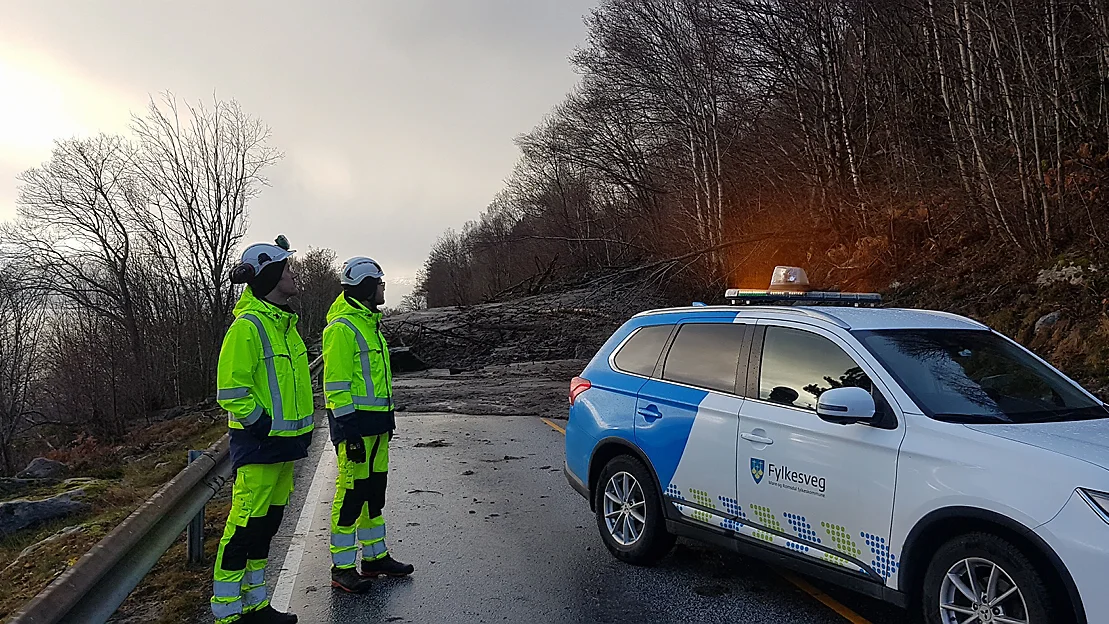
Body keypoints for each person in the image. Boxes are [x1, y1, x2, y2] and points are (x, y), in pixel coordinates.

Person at [211, 236, 314, 624]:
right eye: (286, 268)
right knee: (243, 527)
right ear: (270, 273)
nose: (292, 274)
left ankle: (255, 605)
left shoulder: (284, 325)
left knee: (265, 529)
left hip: (285, 446)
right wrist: (262, 425)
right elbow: (231, 390)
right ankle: (227, 614)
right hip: (259, 445)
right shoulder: (249, 327)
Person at [323, 256, 414, 593]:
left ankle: (375, 558)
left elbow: (377, 382)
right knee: (350, 496)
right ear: (364, 286)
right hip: (356, 430)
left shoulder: (369, 323)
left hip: (376, 428)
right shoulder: (343, 329)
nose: (383, 287)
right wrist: (348, 431)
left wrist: (386, 421)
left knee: (373, 495)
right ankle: (342, 567)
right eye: (378, 282)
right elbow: (336, 386)